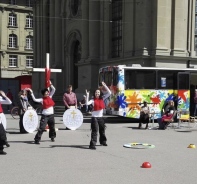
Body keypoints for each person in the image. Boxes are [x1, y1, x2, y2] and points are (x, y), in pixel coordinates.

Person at [86, 82, 111, 150]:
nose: (97, 94)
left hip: (101, 117)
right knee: (95, 131)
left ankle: (103, 141)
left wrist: (104, 85)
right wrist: (87, 95)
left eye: (98, 92)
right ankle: (92, 144)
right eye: (96, 93)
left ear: (100, 93)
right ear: (94, 93)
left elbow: (109, 93)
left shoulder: (102, 98)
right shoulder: (92, 100)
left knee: (102, 130)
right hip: (95, 118)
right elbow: (87, 103)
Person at [0, 90, 12, 155]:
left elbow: (9, 102)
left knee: (2, 132)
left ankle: (1, 148)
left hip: (1, 115)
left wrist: (4, 96)